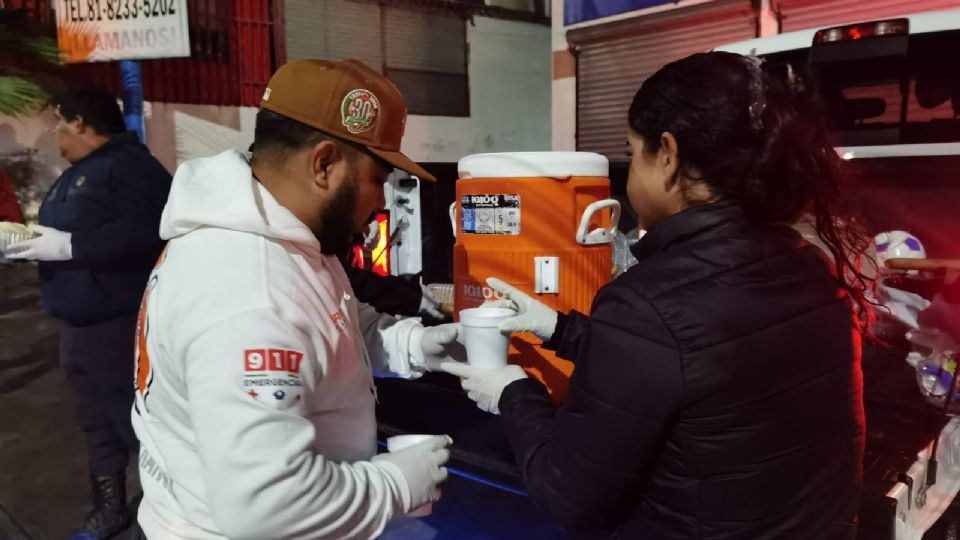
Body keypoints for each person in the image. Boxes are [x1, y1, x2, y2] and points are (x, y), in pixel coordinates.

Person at [443, 51, 871, 539]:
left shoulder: (647, 303)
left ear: (666, 155)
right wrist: (562, 329)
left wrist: (512, 392)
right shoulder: (810, 269)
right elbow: (701, 372)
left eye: (632, 153)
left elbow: (567, 497)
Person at [130, 59, 460, 539]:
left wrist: (414, 344)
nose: (383, 202)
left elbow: (331, 327)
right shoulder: (250, 291)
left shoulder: (283, 230)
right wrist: (394, 484)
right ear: (324, 164)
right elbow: (265, 507)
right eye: (378, 178)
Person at [7, 86, 172, 538]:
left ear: (80, 122)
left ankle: (170, 509)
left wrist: (71, 245)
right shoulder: (77, 173)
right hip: (77, 323)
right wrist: (29, 242)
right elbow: (70, 232)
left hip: (117, 323)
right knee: (96, 423)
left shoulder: (130, 165)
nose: (56, 134)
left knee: (135, 423)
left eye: (59, 123)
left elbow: (154, 227)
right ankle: (110, 508)